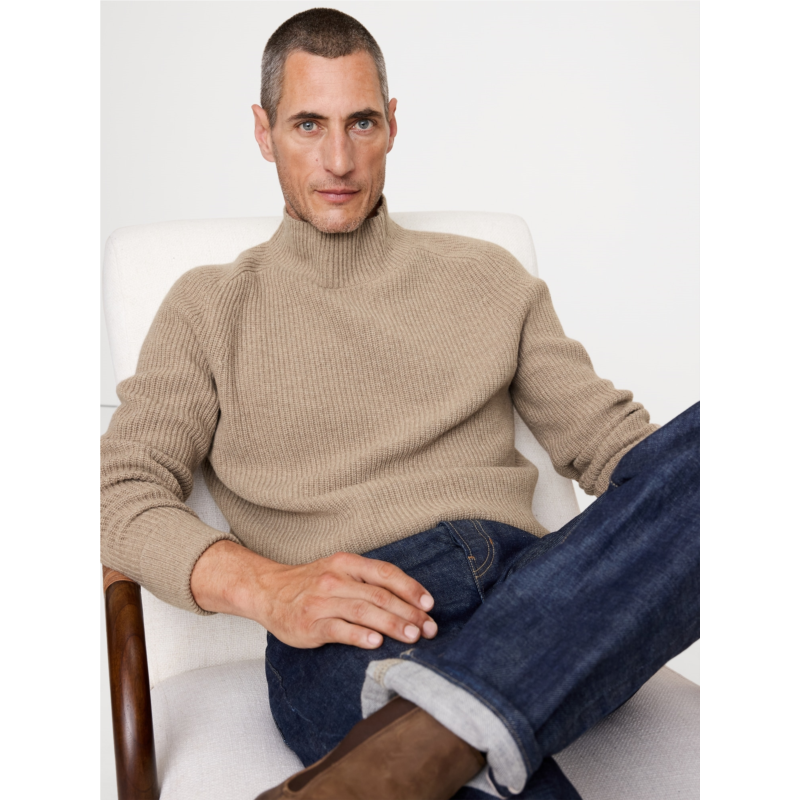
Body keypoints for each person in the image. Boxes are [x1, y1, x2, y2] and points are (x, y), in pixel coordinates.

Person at [99, 9, 700, 800]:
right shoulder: (208, 307)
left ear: (392, 125)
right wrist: (268, 588)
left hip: (538, 592)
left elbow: (615, 443)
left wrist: (670, 515)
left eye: (361, 123)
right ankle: (462, 719)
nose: (339, 159)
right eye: (308, 125)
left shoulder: (488, 277)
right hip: (352, 623)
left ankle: (435, 728)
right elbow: (118, 490)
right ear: (263, 132)